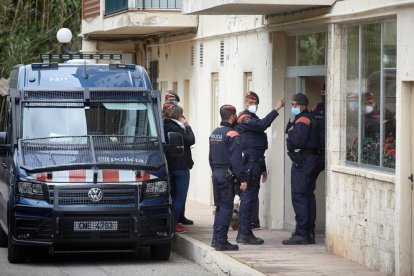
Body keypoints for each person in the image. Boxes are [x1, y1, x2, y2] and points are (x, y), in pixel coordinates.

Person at [235, 91, 285, 245]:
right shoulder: (245, 118)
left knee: (250, 198)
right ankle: (244, 233)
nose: (252, 105)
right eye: (250, 102)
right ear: (245, 103)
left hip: (255, 163)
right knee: (248, 198)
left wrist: (263, 168)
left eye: (254, 103)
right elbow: (262, 125)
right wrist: (276, 109)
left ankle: (245, 232)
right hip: (249, 165)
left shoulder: (253, 118)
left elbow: (258, 149)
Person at [283, 93, 323, 245]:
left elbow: (297, 140)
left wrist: (290, 133)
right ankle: (309, 232)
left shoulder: (303, 120)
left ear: (303, 105)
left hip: (304, 161)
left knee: (299, 196)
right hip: (312, 160)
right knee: (308, 196)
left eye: (295, 104)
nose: (293, 107)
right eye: (292, 104)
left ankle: (302, 233)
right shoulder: (311, 117)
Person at [209, 104, 248, 251]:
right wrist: (243, 179)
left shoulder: (214, 133)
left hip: (216, 173)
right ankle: (222, 242)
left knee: (219, 207)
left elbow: (210, 157)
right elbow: (236, 161)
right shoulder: (233, 134)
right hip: (226, 176)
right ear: (232, 117)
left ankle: (215, 239)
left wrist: (215, 171)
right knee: (226, 208)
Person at [163, 104, 195, 234]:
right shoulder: (176, 127)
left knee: (172, 196)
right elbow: (191, 139)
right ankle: (173, 224)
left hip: (169, 166)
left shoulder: (162, 126)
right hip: (180, 167)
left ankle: (171, 223)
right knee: (180, 197)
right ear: (178, 115)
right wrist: (187, 125)